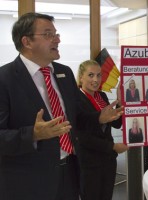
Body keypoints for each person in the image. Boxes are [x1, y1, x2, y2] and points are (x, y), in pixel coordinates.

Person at [0, 12, 123, 200]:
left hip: (70, 173)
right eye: (48, 34)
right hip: (28, 181)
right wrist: (33, 134)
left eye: (56, 34)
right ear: (27, 42)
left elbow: (76, 117)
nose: (57, 39)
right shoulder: (5, 79)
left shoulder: (63, 73)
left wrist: (98, 117)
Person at [76, 60, 128, 200]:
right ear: (81, 77)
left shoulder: (102, 96)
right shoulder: (76, 99)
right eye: (91, 75)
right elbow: (81, 136)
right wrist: (113, 146)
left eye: (99, 75)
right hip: (90, 162)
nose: (96, 80)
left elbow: (115, 124)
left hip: (108, 160)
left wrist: (120, 102)